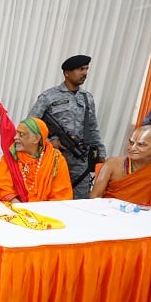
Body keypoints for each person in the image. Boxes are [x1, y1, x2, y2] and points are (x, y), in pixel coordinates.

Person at [28, 54, 106, 199]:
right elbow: (30, 127)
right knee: (50, 198)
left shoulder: (87, 98)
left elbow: (92, 128)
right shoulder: (48, 96)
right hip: (53, 159)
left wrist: (101, 154)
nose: (85, 73)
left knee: (80, 201)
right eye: (80, 69)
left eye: (86, 69)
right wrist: (50, 142)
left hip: (80, 161)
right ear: (67, 73)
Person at [90, 125, 151, 215]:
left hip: (147, 223)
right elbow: (94, 197)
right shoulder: (112, 164)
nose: (132, 148)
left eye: (141, 145)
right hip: (109, 216)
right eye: (131, 143)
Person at [0, 117, 72, 203]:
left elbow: (61, 194)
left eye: (21, 134)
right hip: (17, 209)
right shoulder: (10, 157)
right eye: (16, 133)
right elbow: (2, 189)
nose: (15, 137)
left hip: (46, 211)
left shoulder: (55, 159)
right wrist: (22, 208)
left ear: (36, 139)